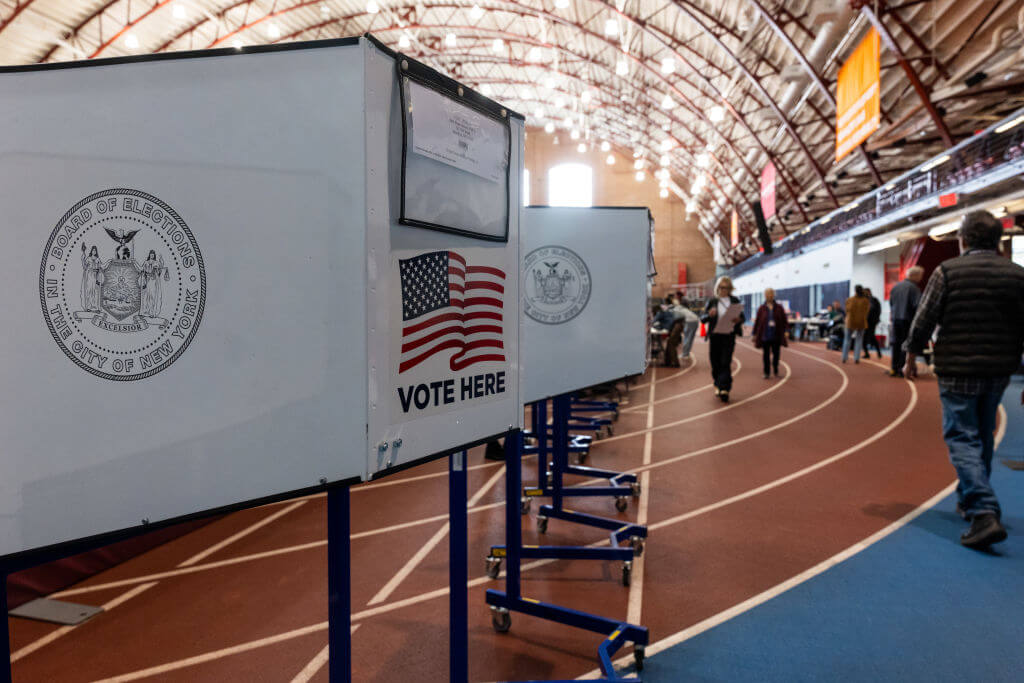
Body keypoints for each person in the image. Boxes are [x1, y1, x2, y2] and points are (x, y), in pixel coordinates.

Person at [904, 211, 1024, 549]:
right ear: (999, 240)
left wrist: (911, 356)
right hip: (999, 370)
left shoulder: (947, 272)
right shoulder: (1018, 275)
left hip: (957, 369)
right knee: (982, 436)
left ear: (963, 239)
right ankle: (967, 500)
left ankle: (983, 510)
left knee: (961, 438)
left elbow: (924, 320)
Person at [701, 276, 744, 402]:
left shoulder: (735, 300)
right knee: (715, 363)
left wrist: (739, 320)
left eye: (725, 287)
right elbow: (702, 318)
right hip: (715, 336)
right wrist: (709, 315)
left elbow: (742, 317)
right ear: (717, 288)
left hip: (728, 335)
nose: (722, 290)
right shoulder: (712, 301)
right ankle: (717, 383)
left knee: (726, 362)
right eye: (720, 287)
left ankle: (724, 388)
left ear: (730, 288)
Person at [888, 266, 924, 377]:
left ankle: (894, 368)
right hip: (907, 320)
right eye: (920, 276)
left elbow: (891, 303)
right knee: (906, 344)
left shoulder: (896, 286)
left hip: (895, 319)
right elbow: (918, 306)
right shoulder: (914, 288)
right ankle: (902, 368)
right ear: (916, 276)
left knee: (896, 344)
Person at [752, 287, 787, 379]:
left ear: (774, 295)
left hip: (776, 335)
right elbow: (757, 322)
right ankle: (766, 372)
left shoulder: (779, 307)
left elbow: (784, 320)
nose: (769, 295)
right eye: (767, 294)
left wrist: (786, 331)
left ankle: (775, 368)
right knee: (765, 355)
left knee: (776, 354)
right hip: (765, 335)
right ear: (765, 295)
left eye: (771, 294)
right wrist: (754, 334)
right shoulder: (761, 308)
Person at [842, 285, 870, 363]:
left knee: (847, 340)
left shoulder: (850, 300)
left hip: (850, 322)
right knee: (859, 340)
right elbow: (867, 312)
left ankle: (844, 357)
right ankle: (856, 358)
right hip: (861, 322)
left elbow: (847, 310)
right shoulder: (865, 301)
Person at [80, 244, 104, 312]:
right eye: (93, 250)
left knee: (96, 292)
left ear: (96, 251)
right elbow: (84, 267)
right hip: (89, 276)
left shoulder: (98, 259)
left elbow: (101, 267)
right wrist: (83, 258)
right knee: (89, 290)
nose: (94, 251)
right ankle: (88, 307)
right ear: (91, 251)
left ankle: (96, 308)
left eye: (95, 250)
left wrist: (99, 270)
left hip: (96, 276)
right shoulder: (88, 258)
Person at [862, 287, 883, 359]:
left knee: (868, 337)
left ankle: (870, 353)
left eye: (865, 292)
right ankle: (877, 353)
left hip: (870, 322)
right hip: (870, 322)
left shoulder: (872, 300)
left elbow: (873, 310)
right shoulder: (869, 300)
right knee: (871, 337)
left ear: (868, 292)